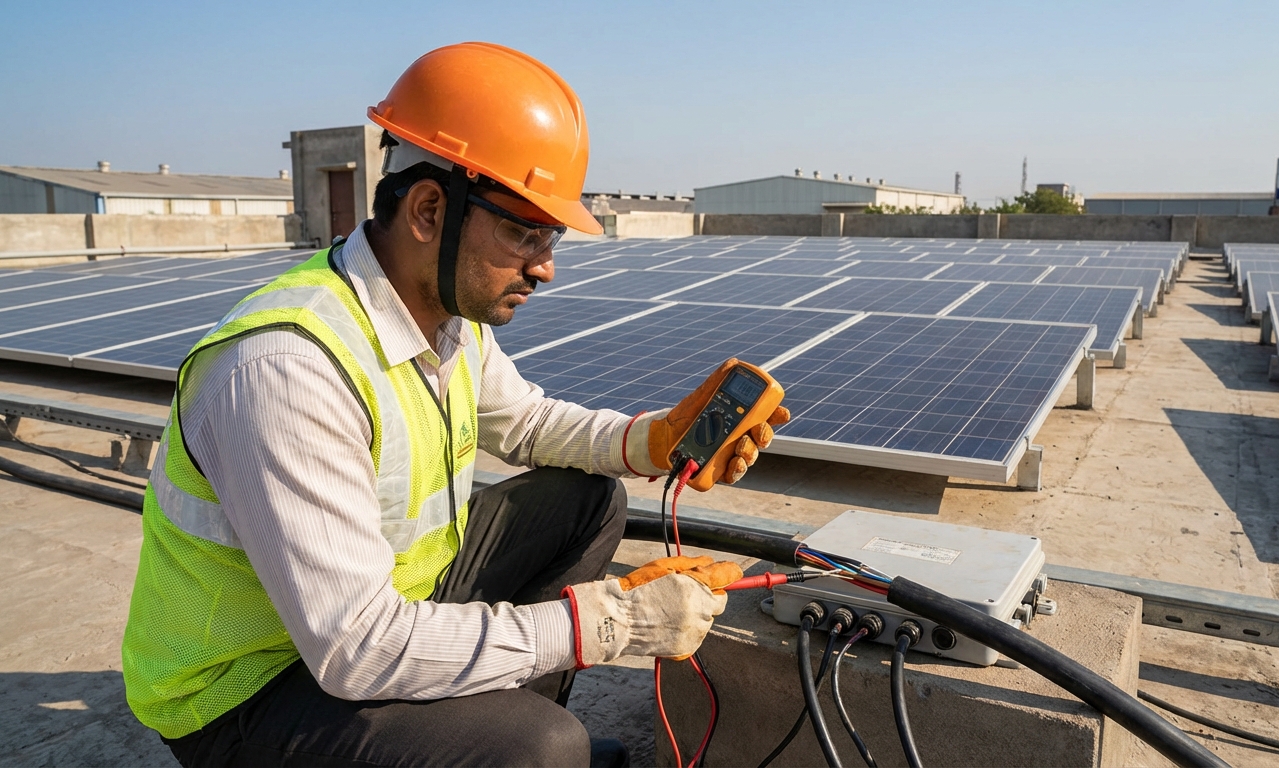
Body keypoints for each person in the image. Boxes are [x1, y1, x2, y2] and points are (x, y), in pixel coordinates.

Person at [121, 42, 789, 767]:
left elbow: (526, 421)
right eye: (522, 232)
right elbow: (356, 646)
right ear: (430, 210)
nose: (545, 266)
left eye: (551, 235)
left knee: (587, 501)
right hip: (249, 686)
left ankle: (491, 738)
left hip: (389, 606)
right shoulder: (285, 370)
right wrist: (611, 623)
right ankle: (514, 747)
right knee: (542, 747)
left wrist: (655, 441)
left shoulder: (442, 317)